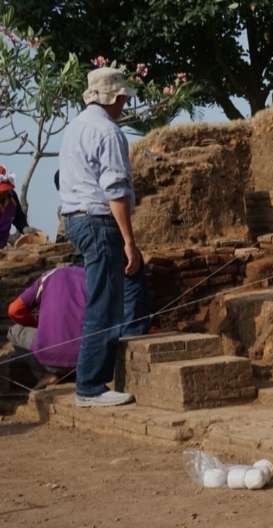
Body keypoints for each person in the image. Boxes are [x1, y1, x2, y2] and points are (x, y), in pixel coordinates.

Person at [58, 66, 149, 407]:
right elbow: (116, 192)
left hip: (76, 218)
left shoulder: (77, 126)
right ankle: (91, 385)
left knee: (112, 294)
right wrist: (129, 240)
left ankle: (102, 374)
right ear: (116, 97)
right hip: (98, 221)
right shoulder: (108, 132)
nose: (125, 103)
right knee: (105, 301)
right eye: (123, 97)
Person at [7, 267, 87, 388]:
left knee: (14, 331)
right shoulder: (92, 277)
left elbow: (14, 310)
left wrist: (38, 325)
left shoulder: (49, 276)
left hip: (49, 360)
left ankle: (44, 374)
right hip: (87, 359)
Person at [0, 165, 30, 246]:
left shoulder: (12, 195)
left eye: (5, 190)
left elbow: (18, 217)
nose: (3, 193)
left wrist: (25, 228)